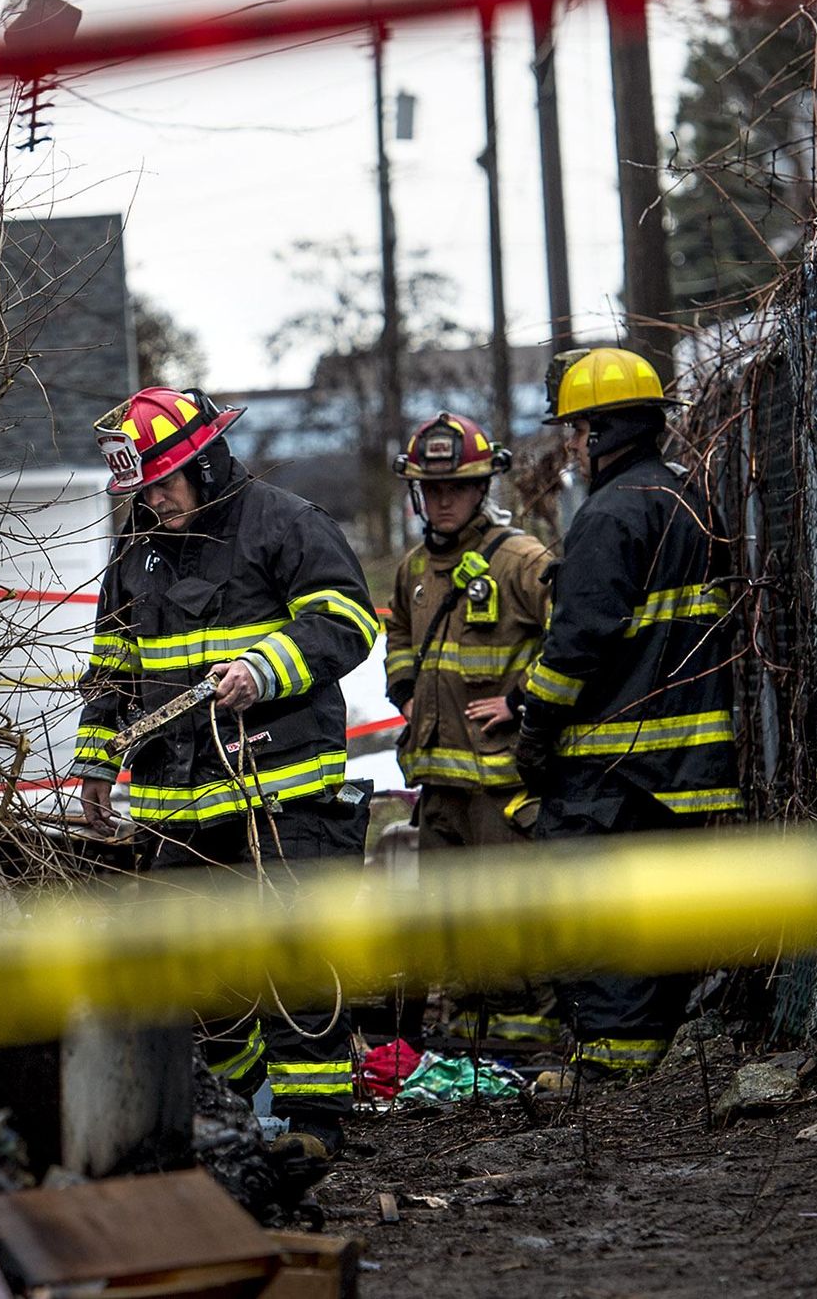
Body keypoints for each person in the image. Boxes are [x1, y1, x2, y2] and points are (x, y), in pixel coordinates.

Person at [71, 386, 381, 1157]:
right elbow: (111, 667)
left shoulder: (286, 524)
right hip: (180, 809)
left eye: (165, 484)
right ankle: (253, 1105)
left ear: (206, 464)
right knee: (191, 972)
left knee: (299, 964)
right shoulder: (136, 554)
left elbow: (347, 620)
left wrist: (265, 669)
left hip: (285, 796)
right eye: (142, 490)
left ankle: (313, 1130)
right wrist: (95, 766)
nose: (155, 501)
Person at [507, 347, 742, 1079]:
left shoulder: (608, 515)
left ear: (605, 431)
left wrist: (534, 726)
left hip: (616, 764)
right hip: (686, 759)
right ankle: (641, 1061)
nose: (571, 446)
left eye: (577, 431)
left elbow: (579, 645)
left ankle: (610, 1072)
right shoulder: (686, 498)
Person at [382, 412, 561, 1050]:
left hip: (501, 786)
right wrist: (405, 691)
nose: (443, 499)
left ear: (484, 486)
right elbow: (400, 634)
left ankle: (530, 1043)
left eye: (457, 486)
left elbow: (573, 637)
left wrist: (520, 701)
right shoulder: (412, 571)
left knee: (509, 915)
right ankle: (465, 1044)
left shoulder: (521, 561)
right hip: (438, 782)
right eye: (431, 489)